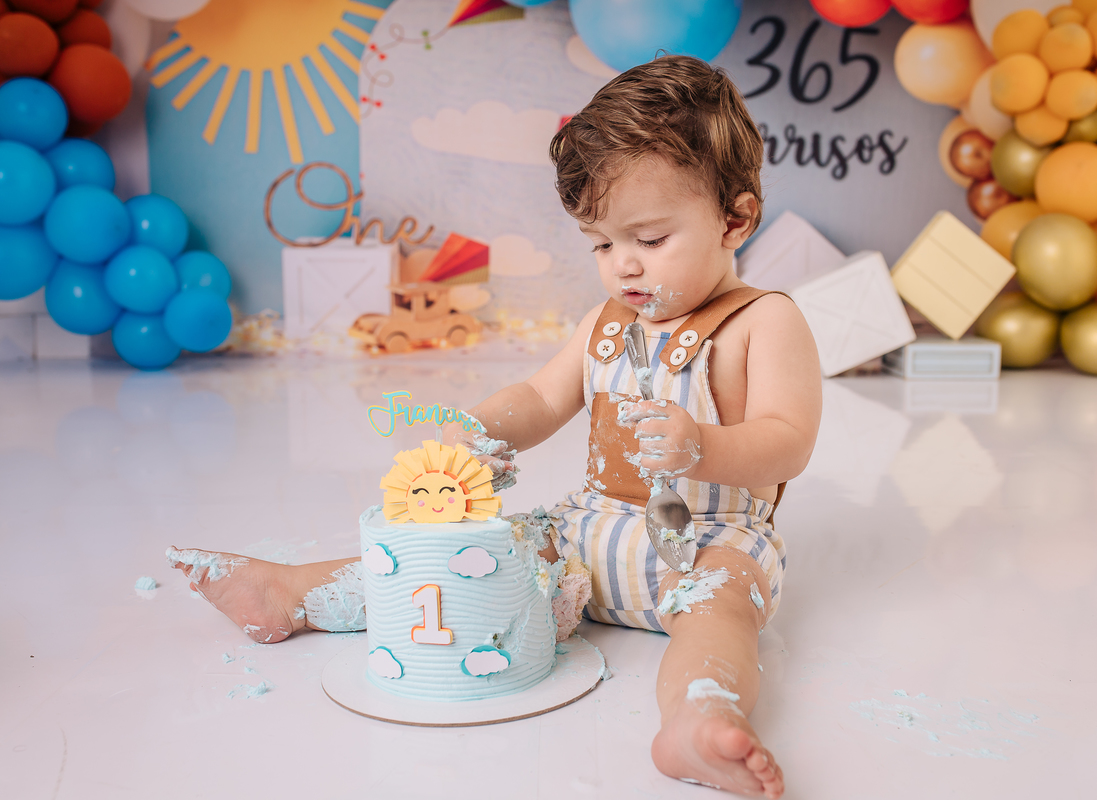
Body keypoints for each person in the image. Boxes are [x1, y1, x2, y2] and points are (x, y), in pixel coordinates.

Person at [170, 55, 820, 799]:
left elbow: (788, 440)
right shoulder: (607, 323)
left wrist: (702, 444)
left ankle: (697, 716)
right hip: (588, 533)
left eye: (648, 239)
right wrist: (478, 429)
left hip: (709, 544)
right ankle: (295, 595)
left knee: (721, 616)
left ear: (735, 219)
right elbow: (542, 397)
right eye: (602, 244)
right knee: (467, 560)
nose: (623, 267)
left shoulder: (763, 322)